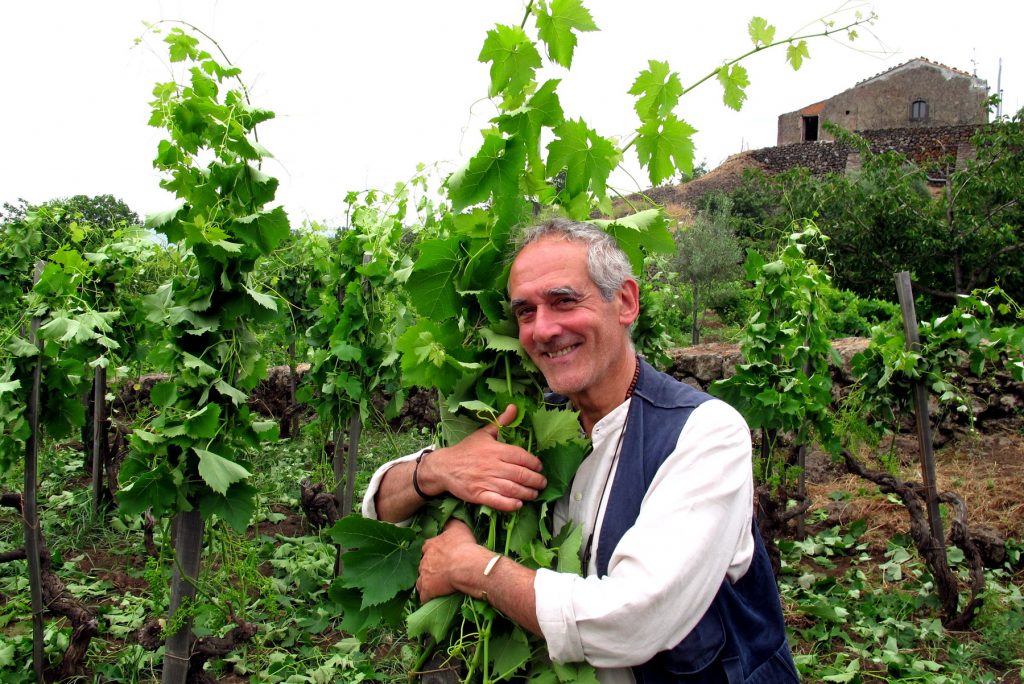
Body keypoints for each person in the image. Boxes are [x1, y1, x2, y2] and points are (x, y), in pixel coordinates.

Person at [362, 218, 799, 683]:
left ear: (625, 302)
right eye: (526, 312)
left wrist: (473, 568)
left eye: (564, 301)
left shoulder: (705, 433)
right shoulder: (531, 421)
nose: (543, 329)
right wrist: (436, 469)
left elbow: (629, 620)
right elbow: (381, 512)